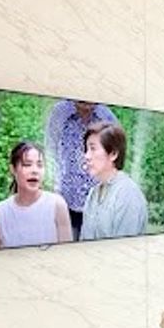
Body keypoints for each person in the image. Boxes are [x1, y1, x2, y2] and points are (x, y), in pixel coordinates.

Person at [45, 100, 119, 240]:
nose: (86, 104)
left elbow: (114, 158)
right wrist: (54, 187)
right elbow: (50, 150)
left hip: (97, 199)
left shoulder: (106, 117)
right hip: (66, 196)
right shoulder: (60, 113)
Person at [0, 140, 72, 249]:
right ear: (13, 169)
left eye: (40, 165)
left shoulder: (57, 205)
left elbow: (67, 252)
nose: (35, 171)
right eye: (27, 165)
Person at [80, 121, 149, 241]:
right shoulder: (93, 193)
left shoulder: (128, 194)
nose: (86, 156)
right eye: (86, 149)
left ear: (113, 154)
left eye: (93, 149)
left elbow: (125, 247)